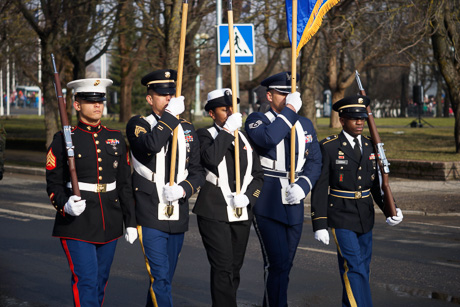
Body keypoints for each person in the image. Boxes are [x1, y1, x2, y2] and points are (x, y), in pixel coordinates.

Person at [46, 78, 138, 306]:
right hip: (77, 221)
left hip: (110, 219)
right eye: (90, 101)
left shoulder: (115, 138)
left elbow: (124, 184)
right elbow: (53, 184)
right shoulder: (63, 139)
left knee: (100, 280)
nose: (98, 105)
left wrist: (130, 221)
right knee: (86, 279)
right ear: (77, 105)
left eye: (101, 101)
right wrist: (65, 204)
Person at [311, 95, 404, 307]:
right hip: (340, 215)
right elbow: (320, 187)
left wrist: (392, 209)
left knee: (363, 268)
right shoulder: (329, 147)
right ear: (342, 120)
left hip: (365, 214)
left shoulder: (371, 146)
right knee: (354, 266)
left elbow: (377, 185)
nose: (360, 122)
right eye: (354, 118)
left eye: (362, 118)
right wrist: (319, 223)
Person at [126, 69, 205, 307]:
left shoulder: (188, 129)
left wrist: (184, 190)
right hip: (150, 211)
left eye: (171, 94)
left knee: (165, 279)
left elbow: (198, 171)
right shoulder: (139, 124)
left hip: (176, 210)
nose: (169, 98)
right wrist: (169, 117)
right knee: (159, 276)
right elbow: (150, 145)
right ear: (150, 99)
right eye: (162, 95)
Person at [244, 71, 322, 307]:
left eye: (291, 94)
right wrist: (289, 112)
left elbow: (315, 161)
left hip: (294, 198)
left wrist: (304, 185)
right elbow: (268, 139)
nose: (288, 98)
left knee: (286, 264)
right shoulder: (257, 120)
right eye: (282, 94)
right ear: (269, 96)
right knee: (276, 263)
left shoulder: (305, 124)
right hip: (268, 201)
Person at [194, 88, 264, 307]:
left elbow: (258, 176)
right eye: (225, 110)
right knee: (223, 267)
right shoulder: (205, 135)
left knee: (234, 267)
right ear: (212, 114)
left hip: (241, 211)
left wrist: (250, 198)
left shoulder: (244, 138)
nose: (231, 113)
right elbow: (211, 158)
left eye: (234, 109)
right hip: (214, 209)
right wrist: (226, 130)